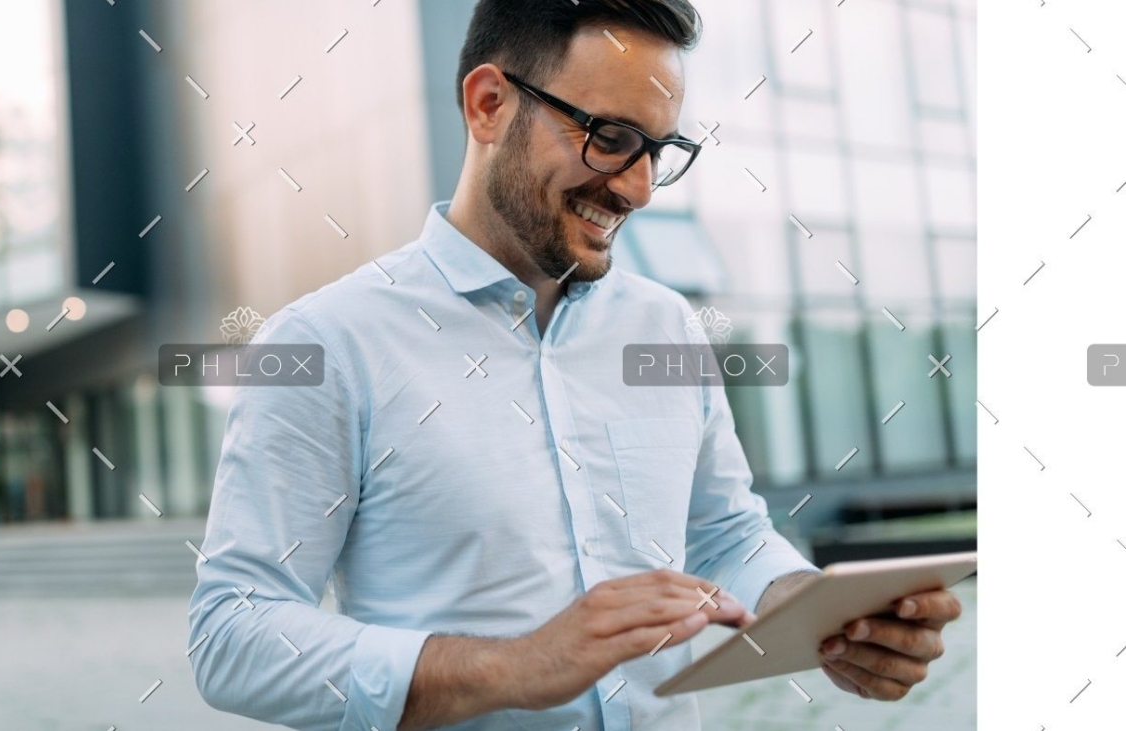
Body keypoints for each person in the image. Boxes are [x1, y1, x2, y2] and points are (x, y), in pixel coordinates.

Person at [187, 1, 963, 729]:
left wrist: (822, 614)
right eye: (610, 136)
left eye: (659, 151)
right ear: (488, 104)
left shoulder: (665, 327)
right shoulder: (327, 342)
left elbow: (721, 531)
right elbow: (234, 629)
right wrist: (514, 667)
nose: (638, 187)